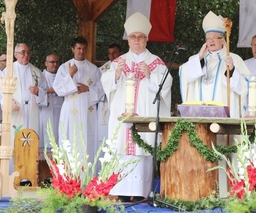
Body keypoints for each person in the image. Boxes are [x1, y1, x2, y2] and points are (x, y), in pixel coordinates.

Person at [101, 12, 172, 201]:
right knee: (122, 152)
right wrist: (115, 75)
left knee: (143, 154)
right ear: (128, 40)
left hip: (144, 119)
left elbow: (166, 85)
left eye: (141, 37)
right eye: (133, 37)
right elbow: (105, 83)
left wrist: (150, 75)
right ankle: (123, 195)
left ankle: (142, 194)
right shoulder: (118, 62)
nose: (137, 40)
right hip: (123, 120)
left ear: (146, 40)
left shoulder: (156, 63)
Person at [178, 11, 251, 118]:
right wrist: (199, 58)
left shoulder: (234, 59)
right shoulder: (197, 58)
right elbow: (184, 75)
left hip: (224, 116)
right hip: (199, 115)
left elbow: (245, 87)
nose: (211, 41)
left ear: (222, 40)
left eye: (215, 38)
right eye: (208, 38)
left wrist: (232, 70)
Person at [53, 37, 102, 160]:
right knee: (69, 139)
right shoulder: (64, 67)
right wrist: (70, 75)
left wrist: (88, 89)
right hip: (70, 110)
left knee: (87, 140)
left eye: (84, 49)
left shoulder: (93, 69)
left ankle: (87, 175)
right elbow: (58, 89)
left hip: (87, 111)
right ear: (73, 49)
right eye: (79, 48)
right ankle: (68, 177)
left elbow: (101, 90)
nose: (81, 51)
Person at [0, 43, 47, 139]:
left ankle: (30, 154)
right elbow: (1, 90)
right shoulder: (9, 70)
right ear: (16, 55)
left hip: (31, 109)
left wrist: (38, 91)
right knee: (16, 136)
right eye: (23, 53)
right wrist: (9, 101)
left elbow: (44, 89)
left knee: (30, 137)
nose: (26, 55)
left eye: (28, 53)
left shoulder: (36, 71)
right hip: (17, 108)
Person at [98, 43, 123, 149]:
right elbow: (98, 87)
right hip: (104, 103)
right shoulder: (104, 69)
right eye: (109, 54)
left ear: (121, 53)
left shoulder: (125, 64)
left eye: (114, 53)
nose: (112, 56)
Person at [39, 54, 63, 147]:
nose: (55, 64)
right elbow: (37, 93)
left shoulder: (62, 76)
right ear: (46, 63)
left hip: (59, 111)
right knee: (46, 136)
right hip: (46, 111)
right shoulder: (40, 76)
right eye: (52, 62)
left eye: (57, 62)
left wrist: (53, 90)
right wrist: (48, 91)